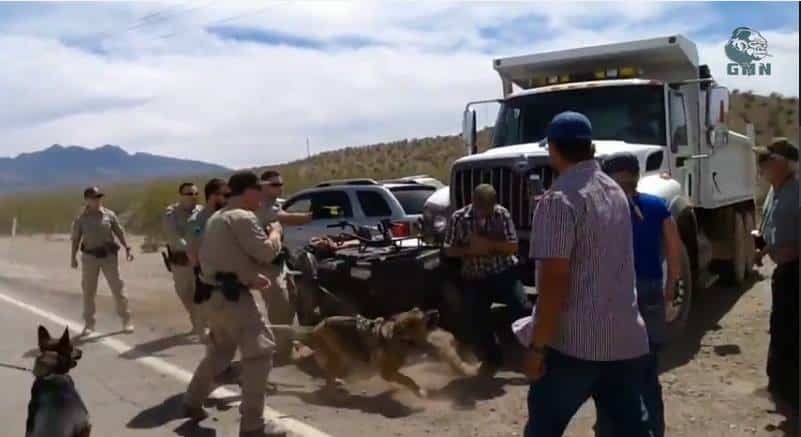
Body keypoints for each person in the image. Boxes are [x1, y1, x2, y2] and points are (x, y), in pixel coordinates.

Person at [513, 111, 652, 437]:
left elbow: (554, 283)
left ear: (554, 150)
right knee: (632, 428)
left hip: (575, 345)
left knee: (544, 429)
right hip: (623, 338)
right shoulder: (615, 191)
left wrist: (537, 348)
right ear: (589, 147)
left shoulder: (559, 200)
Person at [183, 171, 286, 437]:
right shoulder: (242, 216)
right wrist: (275, 232)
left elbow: (222, 259)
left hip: (216, 297)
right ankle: (253, 426)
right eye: (259, 190)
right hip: (234, 301)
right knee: (260, 354)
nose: (263, 196)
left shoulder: (219, 217)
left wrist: (249, 279)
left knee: (220, 352)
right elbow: (265, 252)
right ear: (248, 191)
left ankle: (192, 400)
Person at [596, 153, 683, 437]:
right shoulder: (657, 206)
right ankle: (654, 431)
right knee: (647, 371)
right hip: (650, 291)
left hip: (613, 296)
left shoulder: (601, 210)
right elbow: (674, 252)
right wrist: (671, 291)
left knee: (611, 372)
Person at [444, 183, 529, 372]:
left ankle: (531, 354)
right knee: (476, 318)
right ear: (473, 203)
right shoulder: (459, 218)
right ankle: (492, 357)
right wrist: (469, 250)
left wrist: (489, 245)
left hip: (503, 272)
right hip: (475, 276)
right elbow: (448, 249)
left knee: (522, 308)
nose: (484, 212)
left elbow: (513, 246)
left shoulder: (501, 214)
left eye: (488, 208)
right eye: (481, 207)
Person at [753, 138, 799, 409]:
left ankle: (792, 396)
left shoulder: (797, 193)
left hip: (796, 273)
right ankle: (779, 388)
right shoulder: (774, 192)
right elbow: (771, 230)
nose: (761, 166)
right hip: (784, 272)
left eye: (767, 160)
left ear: (784, 164)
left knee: (791, 332)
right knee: (780, 328)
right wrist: (761, 248)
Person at [256, 170, 312, 358]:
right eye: (274, 185)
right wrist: (313, 215)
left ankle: (284, 346)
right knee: (279, 307)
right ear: (262, 186)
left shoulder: (273, 204)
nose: (279, 188)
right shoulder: (261, 206)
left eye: (280, 184)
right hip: (266, 265)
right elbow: (289, 218)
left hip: (278, 263)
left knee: (288, 305)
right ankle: (279, 352)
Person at [70, 186, 135, 335]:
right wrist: (72, 258)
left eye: (99, 197)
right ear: (87, 200)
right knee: (88, 291)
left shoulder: (109, 215)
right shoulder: (81, 219)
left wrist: (127, 247)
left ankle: (126, 320)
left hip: (108, 257)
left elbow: (119, 231)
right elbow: (75, 239)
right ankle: (89, 324)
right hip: (90, 258)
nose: (98, 200)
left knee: (118, 289)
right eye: (94, 198)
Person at [163, 182, 203, 335]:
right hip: (181, 261)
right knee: (184, 294)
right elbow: (173, 237)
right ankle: (198, 320)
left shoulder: (202, 212)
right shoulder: (171, 213)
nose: (193, 197)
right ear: (181, 196)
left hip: (200, 260)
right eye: (189, 194)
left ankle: (201, 324)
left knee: (202, 293)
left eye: (195, 194)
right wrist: (190, 250)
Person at [186, 178, 230, 267]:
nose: (228, 199)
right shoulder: (196, 221)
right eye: (226, 195)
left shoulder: (229, 217)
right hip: (208, 274)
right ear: (212, 196)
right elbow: (192, 252)